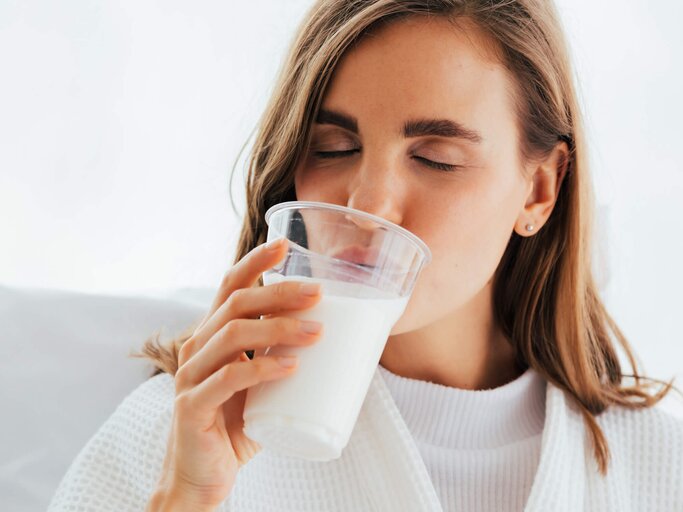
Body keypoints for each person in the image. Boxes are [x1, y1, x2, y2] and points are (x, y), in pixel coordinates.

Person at [47, 1, 683, 511]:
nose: (369, 204)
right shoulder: (179, 435)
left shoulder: (661, 469)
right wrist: (186, 501)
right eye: (330, 148)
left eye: (437, 158)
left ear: (540, 189)